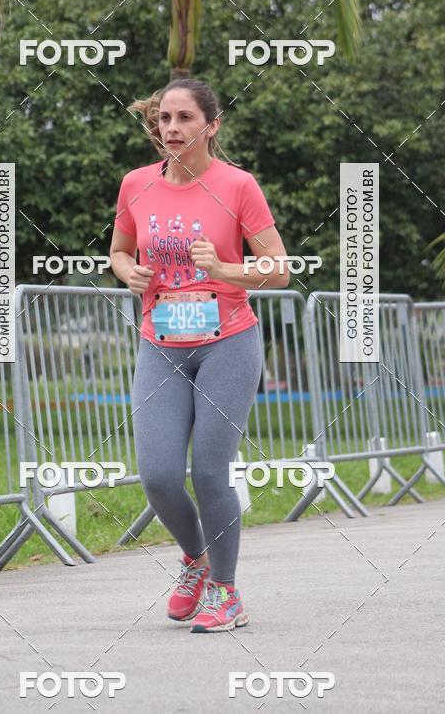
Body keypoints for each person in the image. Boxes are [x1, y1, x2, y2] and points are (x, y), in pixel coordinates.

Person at [110, 79, 289, 633]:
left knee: (211, 471)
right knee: (159, 474)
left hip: (227, 342)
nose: (171, 129)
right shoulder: (136, 184)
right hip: (160, 344)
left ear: (210, 126)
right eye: (164, 118)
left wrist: (226, 271)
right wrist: (127, 271)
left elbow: (279, 270)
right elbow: (118, 249)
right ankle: (196, 558)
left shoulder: (237, 186)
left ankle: (227, 592)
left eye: (184, 118)